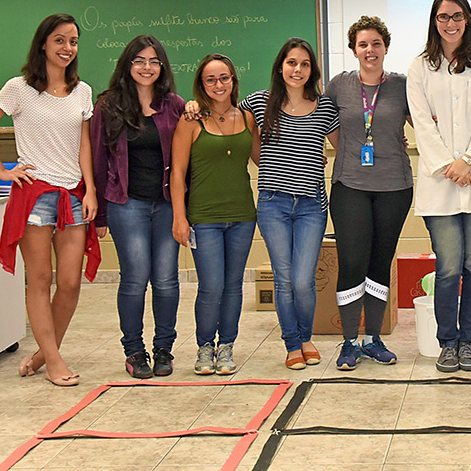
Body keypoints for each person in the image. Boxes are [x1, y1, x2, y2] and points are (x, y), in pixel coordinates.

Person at [0, 13, 98, 387]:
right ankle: (56, 362)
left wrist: (90, 189)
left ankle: (44, 353)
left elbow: (84, 146)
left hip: (73, 194)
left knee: (70, 282)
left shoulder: (82, 91)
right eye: (59, 40)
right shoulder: (19, 88)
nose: (67, 48)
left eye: (73, 41)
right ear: (43, 43)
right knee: (40, 279)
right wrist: (3, 171)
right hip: (35, 194)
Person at [406, 0, 471, 373]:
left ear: (468, 19)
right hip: (441, 180)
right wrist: (450, 165)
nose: (450, 24)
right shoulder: (420, 67)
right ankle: (447, 342)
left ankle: (468, 342)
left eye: (456, 16)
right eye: (443, 17)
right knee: (449, 266)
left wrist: (468, 161)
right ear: (434, 21)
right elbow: (421, 121)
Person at [241, 38, 339, 371]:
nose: (297, 70)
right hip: (273, 205)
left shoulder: (325, 106)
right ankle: (293, 344)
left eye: (305, 64)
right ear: (280, 66)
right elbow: (230, 125)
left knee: (303, 280)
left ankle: (306, 336)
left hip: (312, 205)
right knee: (283, 280)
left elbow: (347, 145)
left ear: (312, 70)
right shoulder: (258, 102)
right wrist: (267, 162)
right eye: (291, 62)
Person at [91, 35, 185, 378]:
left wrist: (183, 210)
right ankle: (135, 351)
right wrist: (100, 213)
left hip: (165, 205)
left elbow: (186, 157)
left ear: (162, 67)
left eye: (154, 61)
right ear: (128, 65)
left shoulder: (174, 104)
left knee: (166, 280)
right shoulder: (108, 106)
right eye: (140, 61)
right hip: (125, 204)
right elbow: (99, 161)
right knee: (134, 279)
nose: (147, 68)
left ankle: (164, 350)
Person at [326, 16, 413, 370]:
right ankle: (349, 342)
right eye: (363, 44)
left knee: (379, 262)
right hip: (350, 187)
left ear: (386, 48)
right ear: (353, 50)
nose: (370, 50)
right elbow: (325, 122)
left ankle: (374, 339)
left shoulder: (404, 86)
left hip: (394, 187)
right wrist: (349, 148)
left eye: (376, 43)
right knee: (351, 263)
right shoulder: (338, 85)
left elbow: (428, 122)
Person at [171, 54, 257, 375]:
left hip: (242, 216)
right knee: (211, 286)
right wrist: (180, 217)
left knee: (233, 285)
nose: (218, 85)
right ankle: (205, 347)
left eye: (224, 78)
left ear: (234, 80)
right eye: (211, 79)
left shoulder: (247, 119)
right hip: (203, 218)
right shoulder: (190, 121)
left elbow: (265, 159)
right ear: (201, 84)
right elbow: (177, 174)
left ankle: (227, 347)